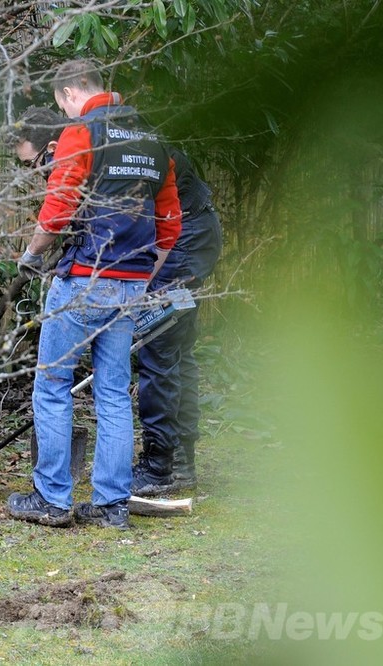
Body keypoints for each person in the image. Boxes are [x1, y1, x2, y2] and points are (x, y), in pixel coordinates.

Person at [6, 59, 181, 530]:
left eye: (63, 104)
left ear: (70, 92)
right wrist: (145, 276)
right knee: (112, 393)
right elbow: (170, 224)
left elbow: (58, 208)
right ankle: (111, 505)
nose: (64, 113)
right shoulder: (151, 138)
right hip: (130, 284)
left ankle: (53, 500)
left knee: (53, 385)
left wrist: (31, 254)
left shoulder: (82, 132)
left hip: (84, 280)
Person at [131, 148, 223, 495]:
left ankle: (160, 468)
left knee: (161, 350)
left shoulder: (118, 144)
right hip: (192, 233)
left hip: (183, 238)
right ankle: (179, 462)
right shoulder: (132, 136)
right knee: (176, 352)